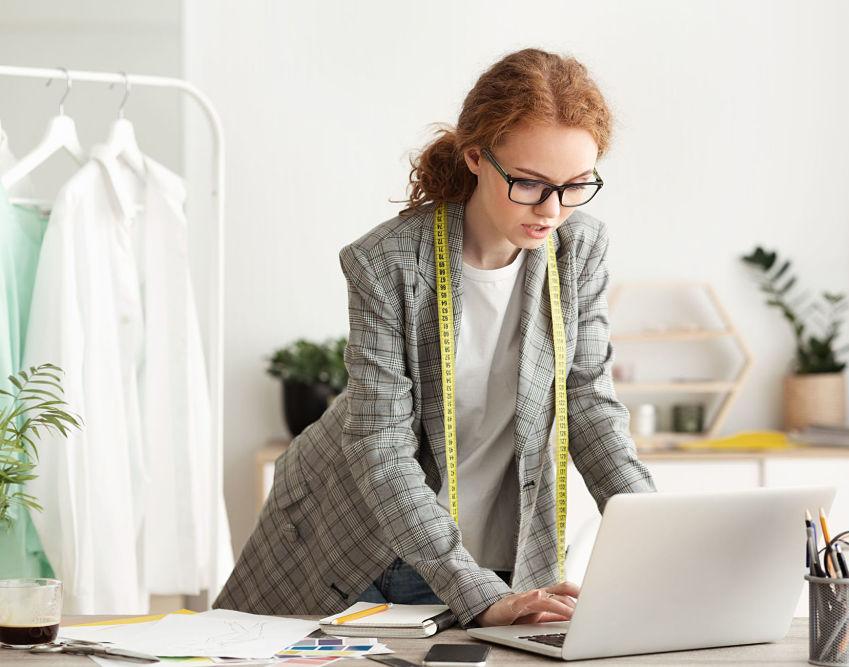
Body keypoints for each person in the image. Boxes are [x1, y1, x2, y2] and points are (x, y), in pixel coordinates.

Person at [214, 47, 656, 628]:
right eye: (528, 183)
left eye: (576, 185)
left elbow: (588, 404)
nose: (552, 210)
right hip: (361, 535)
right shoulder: (387, 262)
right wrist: (475, 592)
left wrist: (656, 534)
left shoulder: (579, 249)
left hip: (505, 549)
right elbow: (381, 450)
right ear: (476, 157)